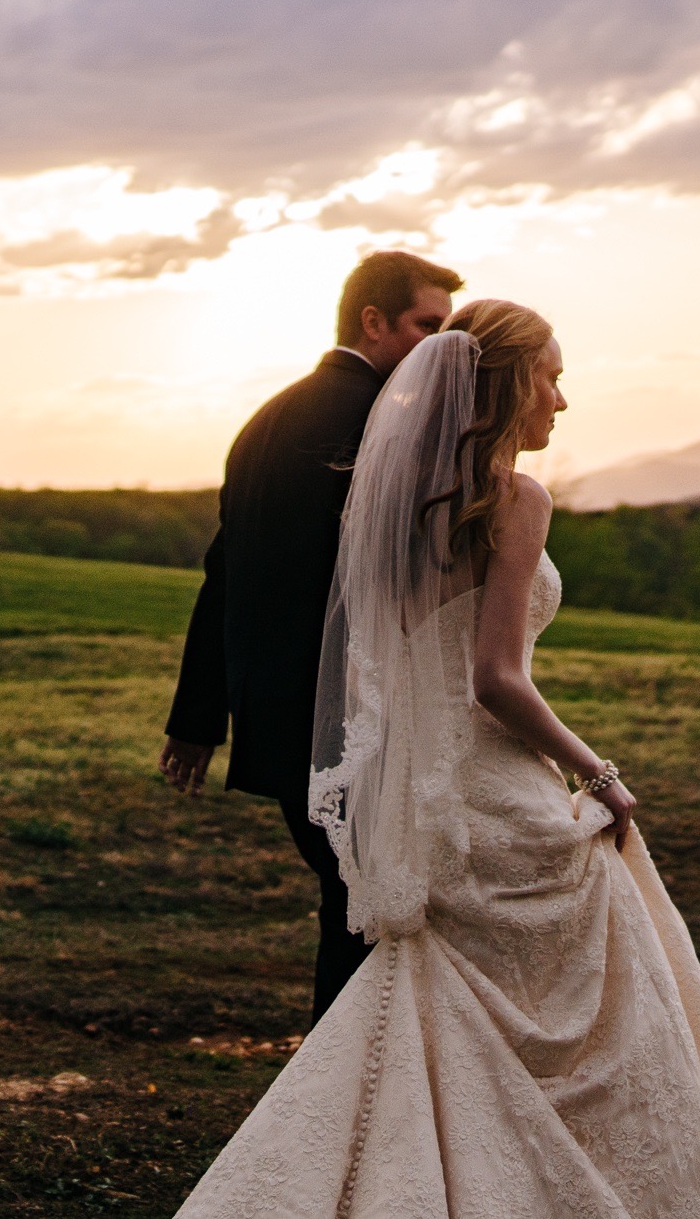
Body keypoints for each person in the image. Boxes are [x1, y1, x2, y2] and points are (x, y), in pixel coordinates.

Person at [174, 301, 700, 1218]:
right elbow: (496, 677)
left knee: (430, 1004)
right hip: (496, 784)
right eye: (551, 375)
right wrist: (597, 771)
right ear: (507, 383)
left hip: (432, 790)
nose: (563, 399)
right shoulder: (516, 501)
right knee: (596, 989)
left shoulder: (395, 502)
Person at [160, 250, 464, 1026]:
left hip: (273, 717)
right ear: (375, 321)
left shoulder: (263, 420)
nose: (440, 345)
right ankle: (351, 1088)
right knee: (367, 904)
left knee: (350, 899)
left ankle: (352, 1085)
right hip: (349, 713)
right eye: (428, 326)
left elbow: (223, 575)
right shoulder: (383, 423)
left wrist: (198, 718)